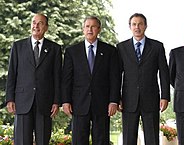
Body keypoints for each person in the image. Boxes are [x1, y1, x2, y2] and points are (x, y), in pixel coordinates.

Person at [62, 16, 120, 145]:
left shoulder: (110, 51)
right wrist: (65, 101)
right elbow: (66, 79)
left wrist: (113, 101)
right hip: (79, 104)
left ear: (99, 29)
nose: (90, 29)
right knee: (78, 140)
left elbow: (115, 78)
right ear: (83, 29)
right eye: (87, 26)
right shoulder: (72, 52)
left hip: (102, 104)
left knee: (101, 139)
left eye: (93, 26)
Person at [5, 13, 62, 145]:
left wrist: (56, 101)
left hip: (45, 102)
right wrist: (10, 99)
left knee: (43, 140)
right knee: (22, 141)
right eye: (34, 22)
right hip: (22, 101)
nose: (36, 26)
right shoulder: (18, 46)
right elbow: (12, 73)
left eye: (40, 23)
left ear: (46, 27)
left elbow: (57, 77)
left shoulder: (54, 49)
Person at [116, 13, 170, 145]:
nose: (137, 27)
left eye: (140, 24)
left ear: (145, 26)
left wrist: (165, 96)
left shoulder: (157, 47)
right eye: (134, 24)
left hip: (151, 99)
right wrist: (116, 97)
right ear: (130, 27)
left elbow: (164, 73)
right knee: (129, 139)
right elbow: (117, 75)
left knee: (152, 138)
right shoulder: (121, 48)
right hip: (128, 100)